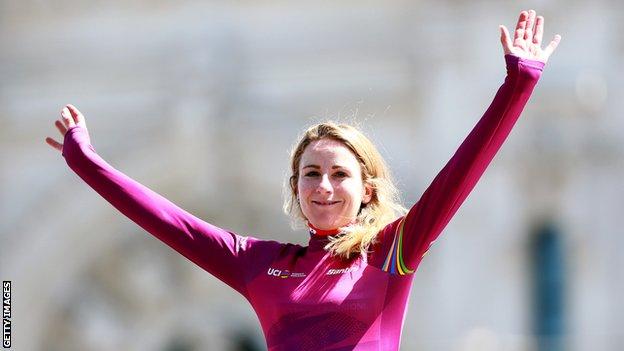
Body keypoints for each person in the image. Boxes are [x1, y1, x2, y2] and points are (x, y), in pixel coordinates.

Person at [46, 9, 560, 351]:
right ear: (295, 189)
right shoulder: (259, 263)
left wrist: (519, 83)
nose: (324, 186)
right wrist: (86, 161)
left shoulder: (391, 251)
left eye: (340, 174)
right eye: (311, 174)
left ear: (368, 190)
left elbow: (461, 174)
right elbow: (167, 221)